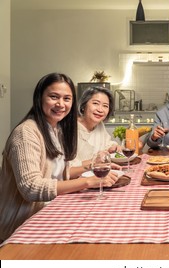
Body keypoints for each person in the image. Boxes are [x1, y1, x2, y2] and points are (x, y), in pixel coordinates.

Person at [0, 73, 118, 242]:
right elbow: (31, 187)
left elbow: (63, 172)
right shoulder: (26, 133)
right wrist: (89, 181)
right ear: (39, 97)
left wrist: (94, 167)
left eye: (67, 98)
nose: (60, 104)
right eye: (53, 97)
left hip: (51, 212)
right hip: (23, 225)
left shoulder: (56, 130)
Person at [70, 86, 119, 170]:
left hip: (96, 175)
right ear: (83, 105)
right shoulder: (70, 128)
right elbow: (67, 167)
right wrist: (95, 161)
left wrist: (114, 147)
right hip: (75, 180)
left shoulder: (99, 125)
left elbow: (105, 143)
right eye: (95, 103)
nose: (100, 110)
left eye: (105, 106)